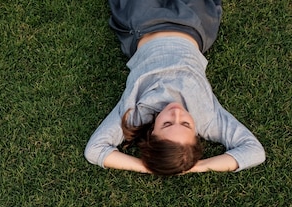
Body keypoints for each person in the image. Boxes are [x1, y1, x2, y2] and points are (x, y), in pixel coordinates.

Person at [84, 0, 266, 175]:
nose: (177, 113)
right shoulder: (208, 119)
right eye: (186, 124)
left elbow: (94, 150)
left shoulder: (135, 115)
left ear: (151, 133)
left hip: (145, 24)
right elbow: (254, 152)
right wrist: (197, 166)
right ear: (196, 133)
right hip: (193, 25)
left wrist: (146, 166)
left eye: (167, 123)